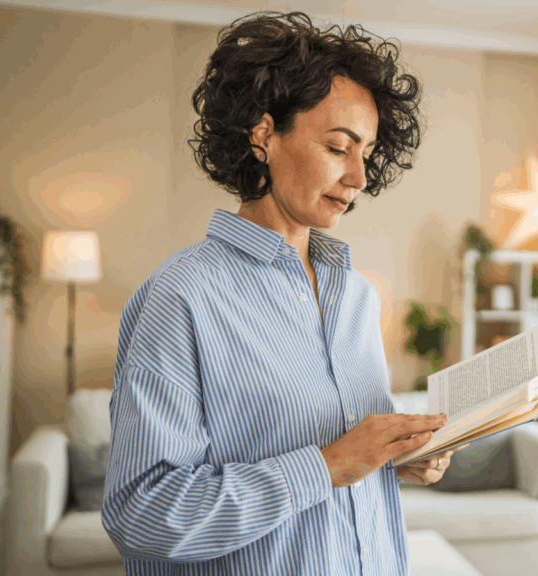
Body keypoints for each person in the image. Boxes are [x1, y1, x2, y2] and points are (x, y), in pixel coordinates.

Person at [101, 12, 457, 575]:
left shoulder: (357, 298)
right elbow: (143, 513)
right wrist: (328, 465)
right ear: (264, 134)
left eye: (367, 153)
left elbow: (342, 459)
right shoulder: (181, 297)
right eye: (339, 148)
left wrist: (394, 460)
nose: (360, 179)